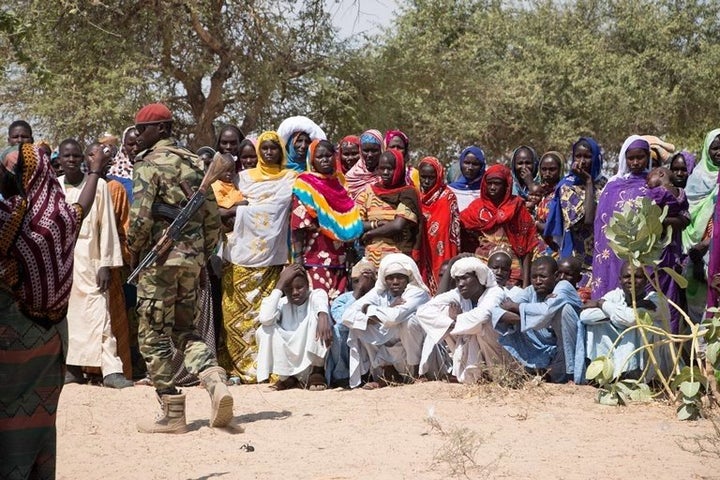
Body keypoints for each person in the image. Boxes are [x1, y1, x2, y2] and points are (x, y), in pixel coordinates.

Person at [127, 103, 233, 433]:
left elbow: (141, 219)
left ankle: (172, 410)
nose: (136, 136)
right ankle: (215, 381)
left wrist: (133, 249)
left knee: (153, 337)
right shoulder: (195, 162)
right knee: (186, 330)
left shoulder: (147, 164)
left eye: (141, 130)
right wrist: (201, 257)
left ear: (160, 129)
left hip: (159, 264)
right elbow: (213, 221)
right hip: (190, 263)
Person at [0, 143, 104, 479]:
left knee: (8, 414)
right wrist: (94, 171)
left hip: (12, 335)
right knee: (41, 414)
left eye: (6, 172)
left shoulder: (10, 219)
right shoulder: (59, 218)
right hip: (54, 336)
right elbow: (83, 207)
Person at [220, 130, 298, 384]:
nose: (268, 152)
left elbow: (280, 208)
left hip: (272, 260)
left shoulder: (290, 178)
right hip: (239, 256)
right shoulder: (243, 179)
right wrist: (238, 209)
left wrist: (241, 210)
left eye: (273, 148)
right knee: (235, 314)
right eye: (263, 148)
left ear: (281, 151)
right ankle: (239, 369)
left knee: (267, 315)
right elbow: (227, 209)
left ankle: (266, 367)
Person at [57, 139, 131, 389]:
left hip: (92, 260)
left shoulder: (98, 185)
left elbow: (108, 226)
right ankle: (74, 369)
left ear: (83, 159)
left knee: (100, 314)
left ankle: (111, 370)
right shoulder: (55, 186)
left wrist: (106, 264)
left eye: (76, 156)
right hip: (64, 264)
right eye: (66, 156)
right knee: (69, 318)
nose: (71, 160)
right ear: (59, 159)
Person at [417, 256, 512, 383]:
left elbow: (482, 316)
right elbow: (423, 311)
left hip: (501, 358)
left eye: (465, 278)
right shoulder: (458, 294)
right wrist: (451, 322)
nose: (460, 284)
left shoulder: (495, 292)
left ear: (479, 277)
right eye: (457, 280)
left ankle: (495, 374)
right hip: (471, 349)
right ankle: (478, 374)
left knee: (484, 325)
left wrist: (457, 319)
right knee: (444, 314)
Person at [342, 253, 430, 388]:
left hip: (413, 349)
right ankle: (388, 372)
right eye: (390, 278)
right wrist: (384, 311)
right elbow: (347, 316)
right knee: (359, 325)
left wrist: (370, 309)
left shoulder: (417, 293)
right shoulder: (379, 293)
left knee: (409, 321)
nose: (395, 282)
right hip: (387, 346)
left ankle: (418, 372)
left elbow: (394, 317)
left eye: (400, 277)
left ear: (408, 278)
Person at [291, 139, 363, 300]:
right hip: (314, 258)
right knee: (319, 306)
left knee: (338, 308)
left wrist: (350, 251)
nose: (325, 160)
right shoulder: (304, 184)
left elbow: (350, 217)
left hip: (341, 258)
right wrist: (298, 260)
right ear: (312, 160)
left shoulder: (341, 182)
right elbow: (298, 225)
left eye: (328, 155)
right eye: (319, 157)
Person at [86, 141, 134, 381]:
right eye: (95, 156)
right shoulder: (76, 186)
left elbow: (122, 229)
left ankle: (114, 370)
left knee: (112, 318)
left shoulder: (114, 188)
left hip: (108, 264)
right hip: (82, 262)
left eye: (106, 157)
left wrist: (118, 260)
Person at [492, 256, 584, 383]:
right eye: (534, 277)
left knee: (564, 310)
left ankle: (570, 371)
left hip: (565, 347)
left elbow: (546, 310)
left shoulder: (564, 286)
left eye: (543, 277)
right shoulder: (530, 291)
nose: (538, 281)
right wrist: (528, 317)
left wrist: (518, 308)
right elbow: (498, 312)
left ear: (555, 276)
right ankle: (540, 368)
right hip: (541, 349)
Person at [582, 262, 670, 379]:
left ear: (646, 280)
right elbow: (585, 316)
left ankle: (630, 373)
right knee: (595, 325)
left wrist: (603, 305)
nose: (631, 281)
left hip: (652, 362)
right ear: (620, 280)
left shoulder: (655, 299)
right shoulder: (616, 296)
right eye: (627, 277)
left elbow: (631, 319)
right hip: (619, 348)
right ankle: (603, 372)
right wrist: (620, 311)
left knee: (637, 326)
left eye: (637, 277)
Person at [256, 264, 333, 390]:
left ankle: (317, 372)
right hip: (289, 359)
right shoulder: (281, 303)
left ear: (308, 285)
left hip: (311, 360)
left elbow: (321, 299)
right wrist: (280, 284)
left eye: (300, 287)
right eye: (289, 288)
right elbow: (265, 318)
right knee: (264, 330)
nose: (295, 292)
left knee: (318, 316)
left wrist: (323, 315)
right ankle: (286, 378)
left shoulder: (314, 295)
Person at [592, 135, 651, 298]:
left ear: (648, 157)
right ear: (624, 158)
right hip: (611, 249)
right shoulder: (612, 185)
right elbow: (601, 220)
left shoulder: (653, 184)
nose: (636, 162)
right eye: (631, 158)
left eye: (640, 157)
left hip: (642, 249)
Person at [460, 164, 538, 287]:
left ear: (507, 185)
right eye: (489, 183)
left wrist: (525, 284)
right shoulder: (477, 208)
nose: (492, 187)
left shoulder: (516, 207)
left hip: (511, 271)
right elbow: (458, 226)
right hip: (482, 267)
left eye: (497, 183)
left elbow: (527, 247)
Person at [543, 137, 606, 286]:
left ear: (596, 158)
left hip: (601, 256)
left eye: (587, 157)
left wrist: (591, 182)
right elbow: (588, 219)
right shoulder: (566, 186)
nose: (582, 161)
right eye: (578, 156)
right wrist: (589, 182)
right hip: (575, 260)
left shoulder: (605, 184)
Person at [356, 149, 422, 267]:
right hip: (372, 261)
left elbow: (398, 225)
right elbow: (356, 224)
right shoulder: (368, 192)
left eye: (390, 169)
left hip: (399, 262)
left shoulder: (408, 193)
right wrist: (377, 224)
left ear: (400, 169)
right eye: (382, 168)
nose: (385, 172)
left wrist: (370, 234)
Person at [646, 167, 690, 333]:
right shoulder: (681, 193)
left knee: (652, 289)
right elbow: (685, 218)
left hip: (657, 250)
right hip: (673, 251)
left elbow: (646, 211)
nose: (647, 184)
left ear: (661, 174)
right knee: (670, 295)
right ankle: (670, 335)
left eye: (648, 179)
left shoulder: (658, 193)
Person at [683, 129, 720, 321]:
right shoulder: (696, 179)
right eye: (715, 148)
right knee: (699, 317)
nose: (719, 152)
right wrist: (697, 250)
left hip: (716, 248)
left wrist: (709, 242)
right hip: (694, 252)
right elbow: (689, 216)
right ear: (707, 150)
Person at [327, 258, 377, 387]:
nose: (362, 284)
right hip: (349, 345)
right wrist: (358, 292)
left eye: (367, 281)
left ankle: (373, 374)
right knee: (337, 331)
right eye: (357, 281)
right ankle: (342, 375)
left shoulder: (380, 297)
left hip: (373, 343)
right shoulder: (343, 299)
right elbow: (342, 320)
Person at [417, 156, 460, 294]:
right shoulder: (416, 196)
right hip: (422, 249)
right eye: (423, 177)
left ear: (439, 176)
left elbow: (452, 232)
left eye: (431, 177)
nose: (427, 181)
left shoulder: (448, 197)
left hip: (442, 250)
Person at [345, 129, 383, 200]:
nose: (370, 155)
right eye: (366, 151)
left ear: (381, 150)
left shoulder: (387, 174)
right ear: (360, 151)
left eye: (374, 150)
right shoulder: (351, 177)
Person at [448, 146, 486, 213]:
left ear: (481, 166)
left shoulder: (488, 190)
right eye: (467, 163)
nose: (470, 167)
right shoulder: (450, 190)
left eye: (475, 164)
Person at [106, 126, 139, 201]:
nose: (136, 148)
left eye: (139, 143)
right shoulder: (113, 175)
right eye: (131, 144)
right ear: (124, 146)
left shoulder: (152, 168)